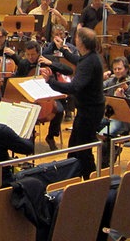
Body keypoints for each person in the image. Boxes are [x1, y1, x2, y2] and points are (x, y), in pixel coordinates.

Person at [42, 27, 105, 178]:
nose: (74, 40)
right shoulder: (90, 56)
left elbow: (73, 87)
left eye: (76, 38)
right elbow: (77, 60)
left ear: (81, 42)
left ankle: (92, 182)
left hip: (90, 112)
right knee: (74, 149)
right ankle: (73, 179)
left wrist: (51, 81)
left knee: (83, 150)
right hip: (87, 110)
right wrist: (63, 50)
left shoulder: (89, 62)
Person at [15, 41, 73, 150]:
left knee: (59, 110)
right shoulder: (24, 64)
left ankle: (50, 137)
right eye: (28, 54)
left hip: (49, 95)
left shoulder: (48, 60)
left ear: (38, 53)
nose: (30, 57)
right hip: (31, 96)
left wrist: (51, 63)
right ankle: (28, 138)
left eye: (33, 54)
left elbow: (68, 70)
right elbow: (17, 79)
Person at [99, 56, 130, 167]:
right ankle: (112, 150)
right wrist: (101, 78)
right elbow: (99, 88)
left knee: (103, 135)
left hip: (125, 119)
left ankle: (105, 163)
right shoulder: (113, 80)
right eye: (115, 69)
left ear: (126, 69)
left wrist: (122, 97)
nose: (117, 71)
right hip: (110, 115)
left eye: (120, 69)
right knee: (90, 124)